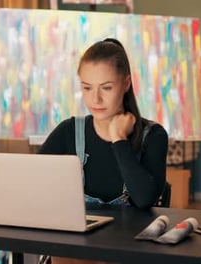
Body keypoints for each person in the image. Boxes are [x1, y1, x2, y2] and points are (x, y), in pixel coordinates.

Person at [39, 38, 168, 209]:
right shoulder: (68, 131)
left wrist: (119, 139)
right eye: (87, 87)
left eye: (106, 88)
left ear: (126, 84)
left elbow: (145, 200)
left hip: (130, 236)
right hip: (77, 235)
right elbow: (33, 185)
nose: (95, 99)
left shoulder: (153, 136)